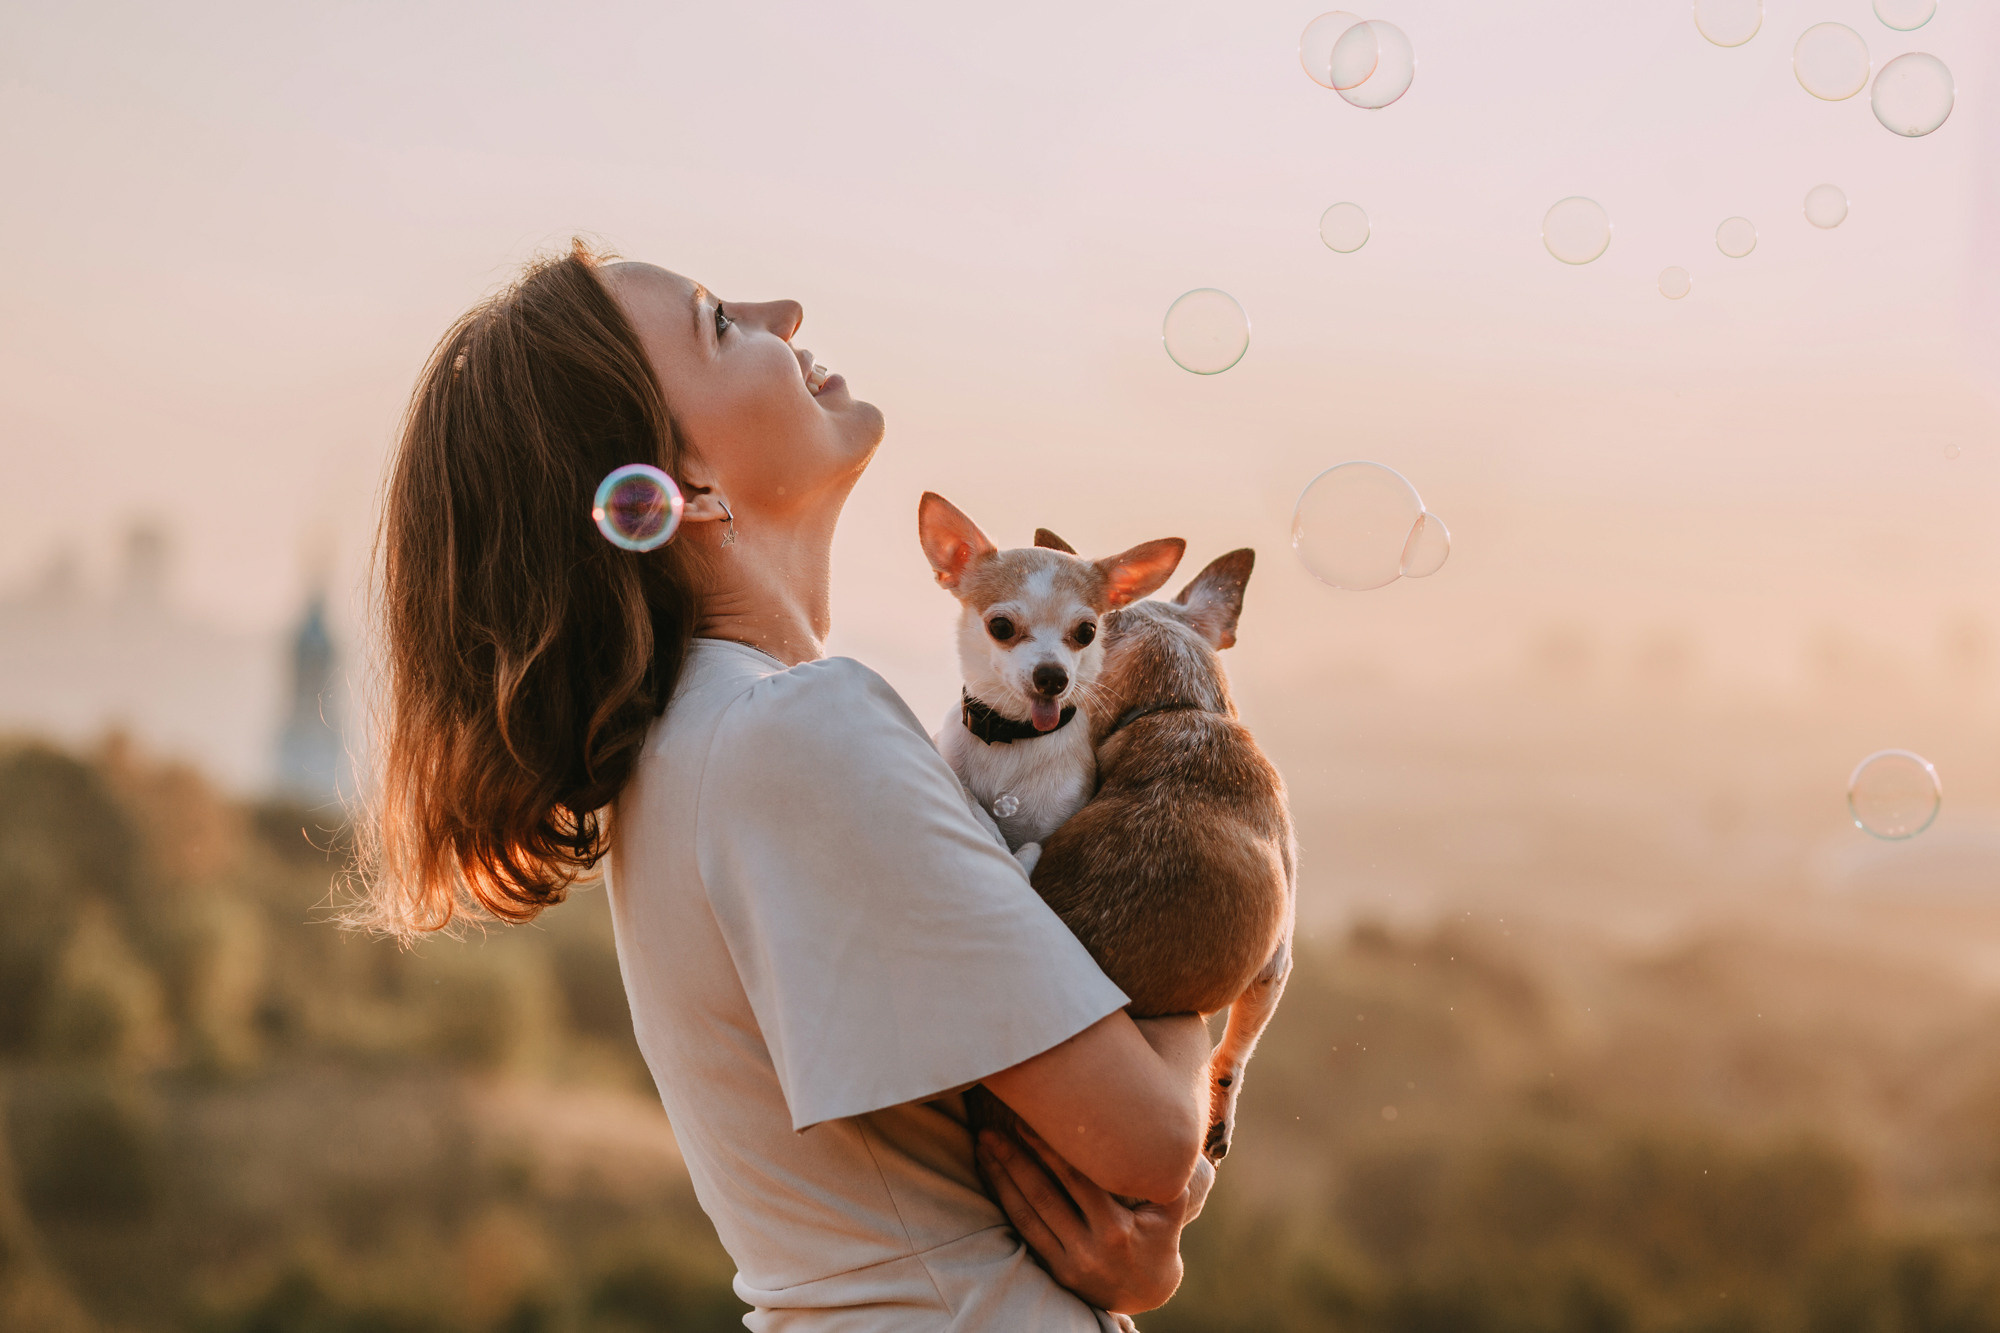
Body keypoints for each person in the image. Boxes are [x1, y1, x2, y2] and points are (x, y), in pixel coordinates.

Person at [358, 241, 1216, 1329]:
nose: (787, 310)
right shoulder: (797, 733)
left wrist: (1123, 1253)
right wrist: (1204, 892)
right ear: (679, 488)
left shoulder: (698, 742)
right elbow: (1147, 1138)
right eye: (720, 322)